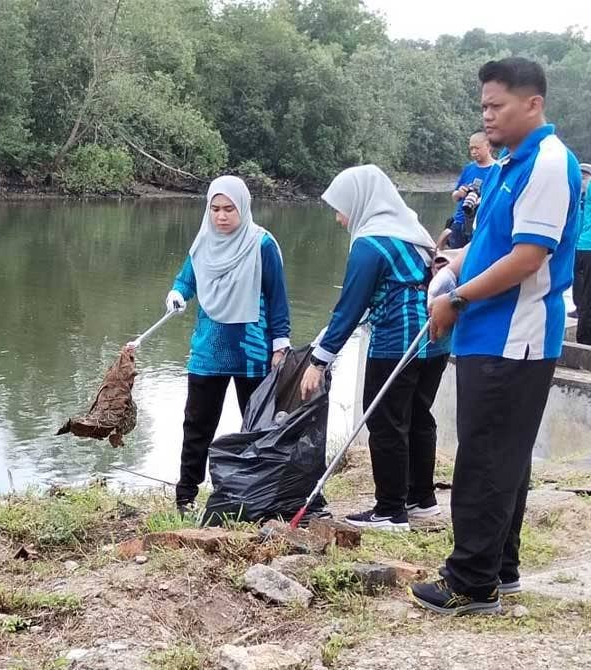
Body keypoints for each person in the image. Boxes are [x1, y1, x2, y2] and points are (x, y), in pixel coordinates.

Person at [414, 57, 581, 616]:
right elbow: (492, 243)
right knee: (503, 453)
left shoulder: (551, 164)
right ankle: (498, 567)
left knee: (485, 457)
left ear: (532, 104)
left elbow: (529, 257)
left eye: (496, 105)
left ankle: (470, 583)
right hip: (490, 331)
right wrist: (452, 263)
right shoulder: (509, 163)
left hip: (515, 336)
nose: (486, 116)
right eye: (483, 105)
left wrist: (455, 300)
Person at [299, 165, 449, 532]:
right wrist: (325, 338)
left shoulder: (371, 244)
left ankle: (390, 510)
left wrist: (319, 360)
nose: (338, 217)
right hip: (436, 338)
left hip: (398, 340)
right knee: (417, 415)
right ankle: (421, 499)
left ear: (360, 202)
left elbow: (351, 307)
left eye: (341, 207)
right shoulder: (411, 232)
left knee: (385, 420)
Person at [166, 176, 290, 514]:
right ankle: (186, 495)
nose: (221, 216)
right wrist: (177, 295)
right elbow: (185, 281)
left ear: (243, 208)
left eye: (229, 209)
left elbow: (278, 298)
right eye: (215, 209)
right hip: (209, 350)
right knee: (197, 425)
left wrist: (280, 343)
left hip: (252, 350)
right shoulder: (203, 242)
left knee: (256, 429)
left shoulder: (262, 244)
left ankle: (256, 495)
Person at [438, 131, 496, 250]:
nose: (474, 152)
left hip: (481, 225)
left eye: (477, 148)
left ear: (488, 146)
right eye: (471, 148)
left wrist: (480, 199)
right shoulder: (469, 168)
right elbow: (454, 197)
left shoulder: (497, 169)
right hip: (459, 223)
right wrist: (460, 193)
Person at [574, 163, 591, 344]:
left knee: (586, 296)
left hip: (584, 246)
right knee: (588, 298)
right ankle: (585, 341)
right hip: (588, 247)